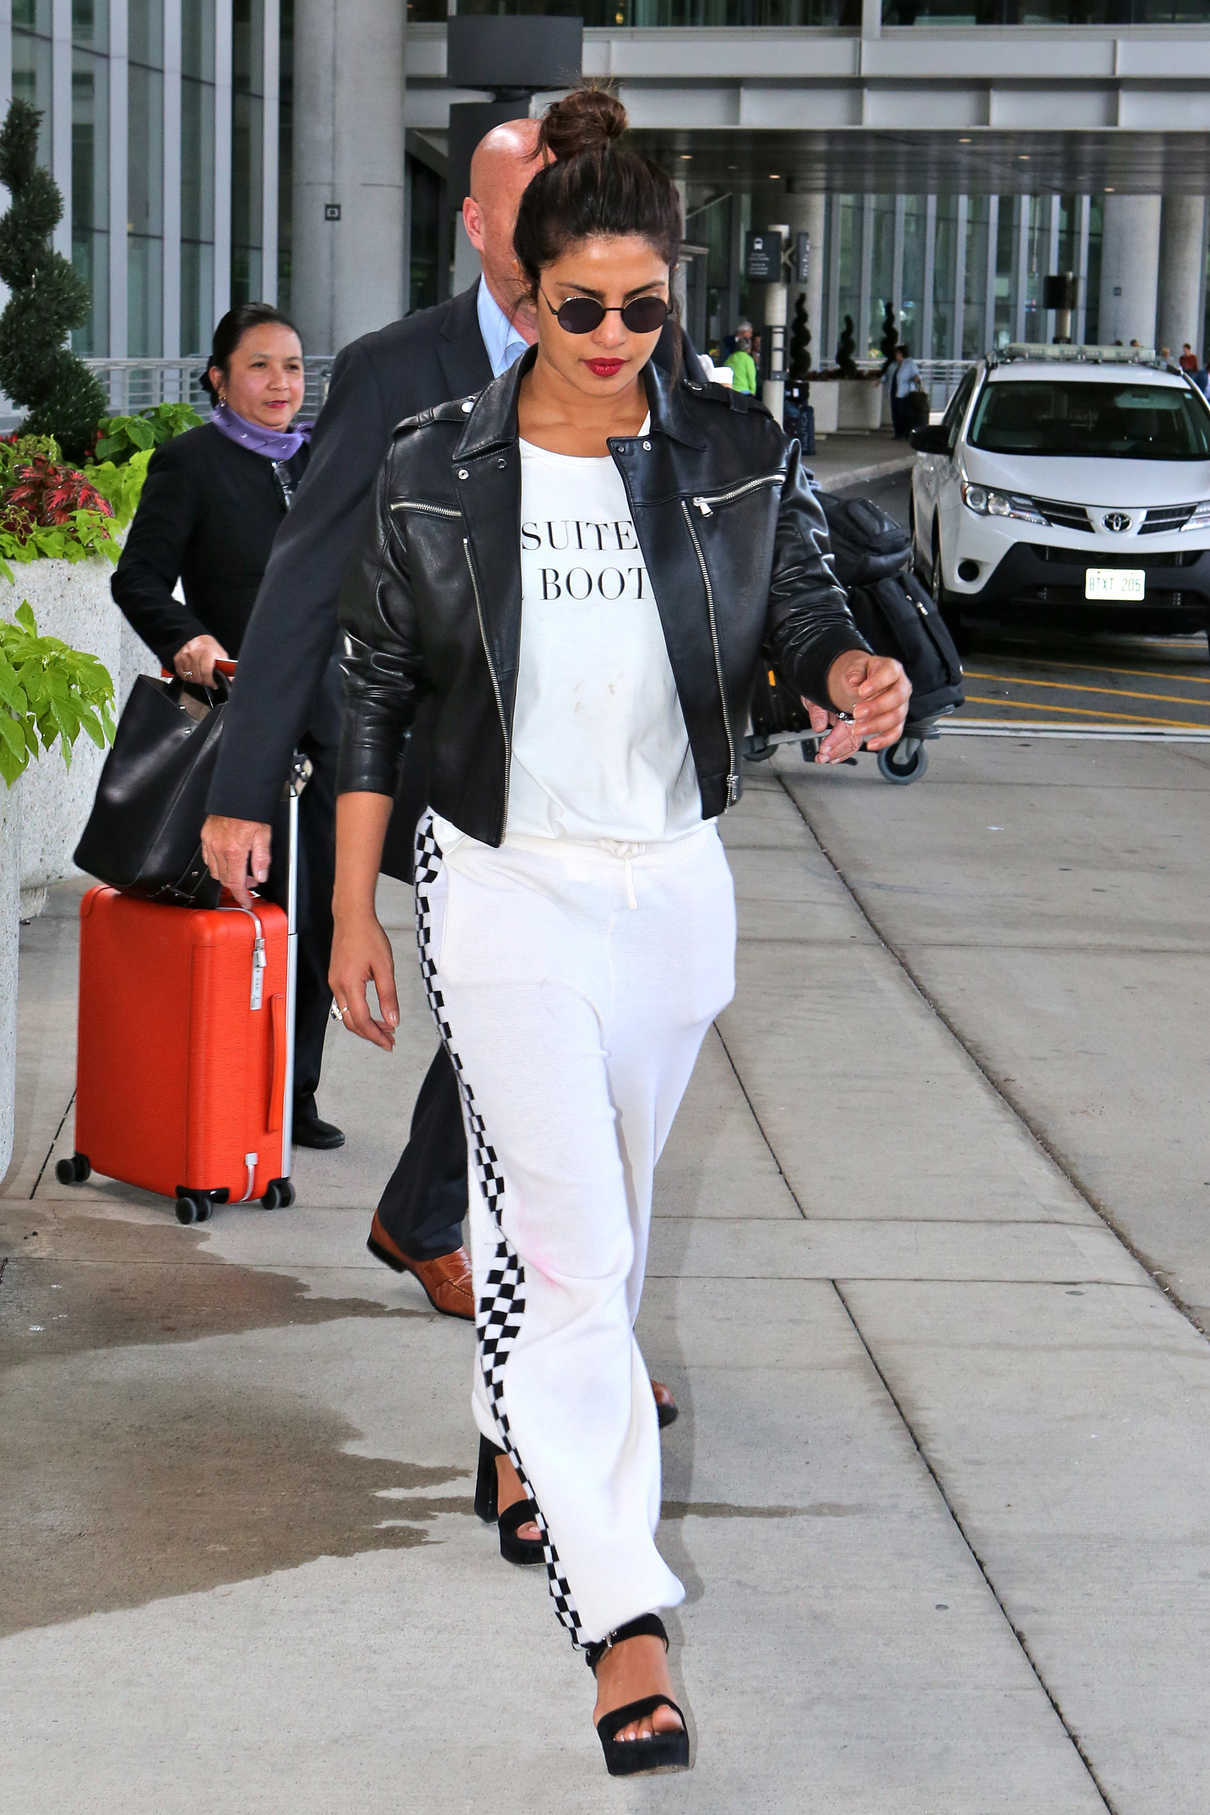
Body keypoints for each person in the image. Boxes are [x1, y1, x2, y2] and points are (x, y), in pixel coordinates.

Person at [330, 86, 910, 1776]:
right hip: (501, 883)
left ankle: (516, 1427)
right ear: (522, 298)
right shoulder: (436, 469)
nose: (610, 335)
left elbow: (800, 612)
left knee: (593, 1227)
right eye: (576, 305)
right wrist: (361, 909)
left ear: (679, 295)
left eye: (642, 306)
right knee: (578, 1255)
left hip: (670, 893)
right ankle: (620, 1615)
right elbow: (371, 685)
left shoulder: (733, 454)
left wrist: (843, 672)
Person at [198, 121, 687, 1423]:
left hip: (595, 784)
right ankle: (558, 1373)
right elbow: (304, 582)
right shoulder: (389, 372)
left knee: (550, 1037)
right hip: (433, 773)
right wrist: (244, 785)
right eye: (529, 214)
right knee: (537, 1037)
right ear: (477, 226)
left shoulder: (634, 350)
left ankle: (443, 1234)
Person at [111, 303, 341, 1151]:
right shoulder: (190, 464)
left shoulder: (324, 462)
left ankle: (294, 1091)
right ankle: (231, 1088)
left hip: (334, 720)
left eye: (292, 366)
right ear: (219, 377)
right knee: (254, 912)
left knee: (319, 915)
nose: (282, 383)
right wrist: (188, 641)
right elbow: (137, 581)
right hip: (242, 728)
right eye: (259, 367)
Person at [886, 342, 923, 438]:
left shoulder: (909, 363)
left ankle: (906, 433)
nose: (895, 355)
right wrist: (879, 381)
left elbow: (916, 375)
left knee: (904, 414)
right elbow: (887, 376)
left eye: (897, 353)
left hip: (905, 393)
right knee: (895, 413)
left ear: (902, 354)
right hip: (894, 392)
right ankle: (898, 433)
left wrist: (917, 381)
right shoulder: (893, 365)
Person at [724, 318, 757, 393]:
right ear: (743, 332)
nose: (751, 335)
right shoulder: (729, 341)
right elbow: (751, 376)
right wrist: (752, 392)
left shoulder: (735, 357)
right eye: (750, 332)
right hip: (740, 389)